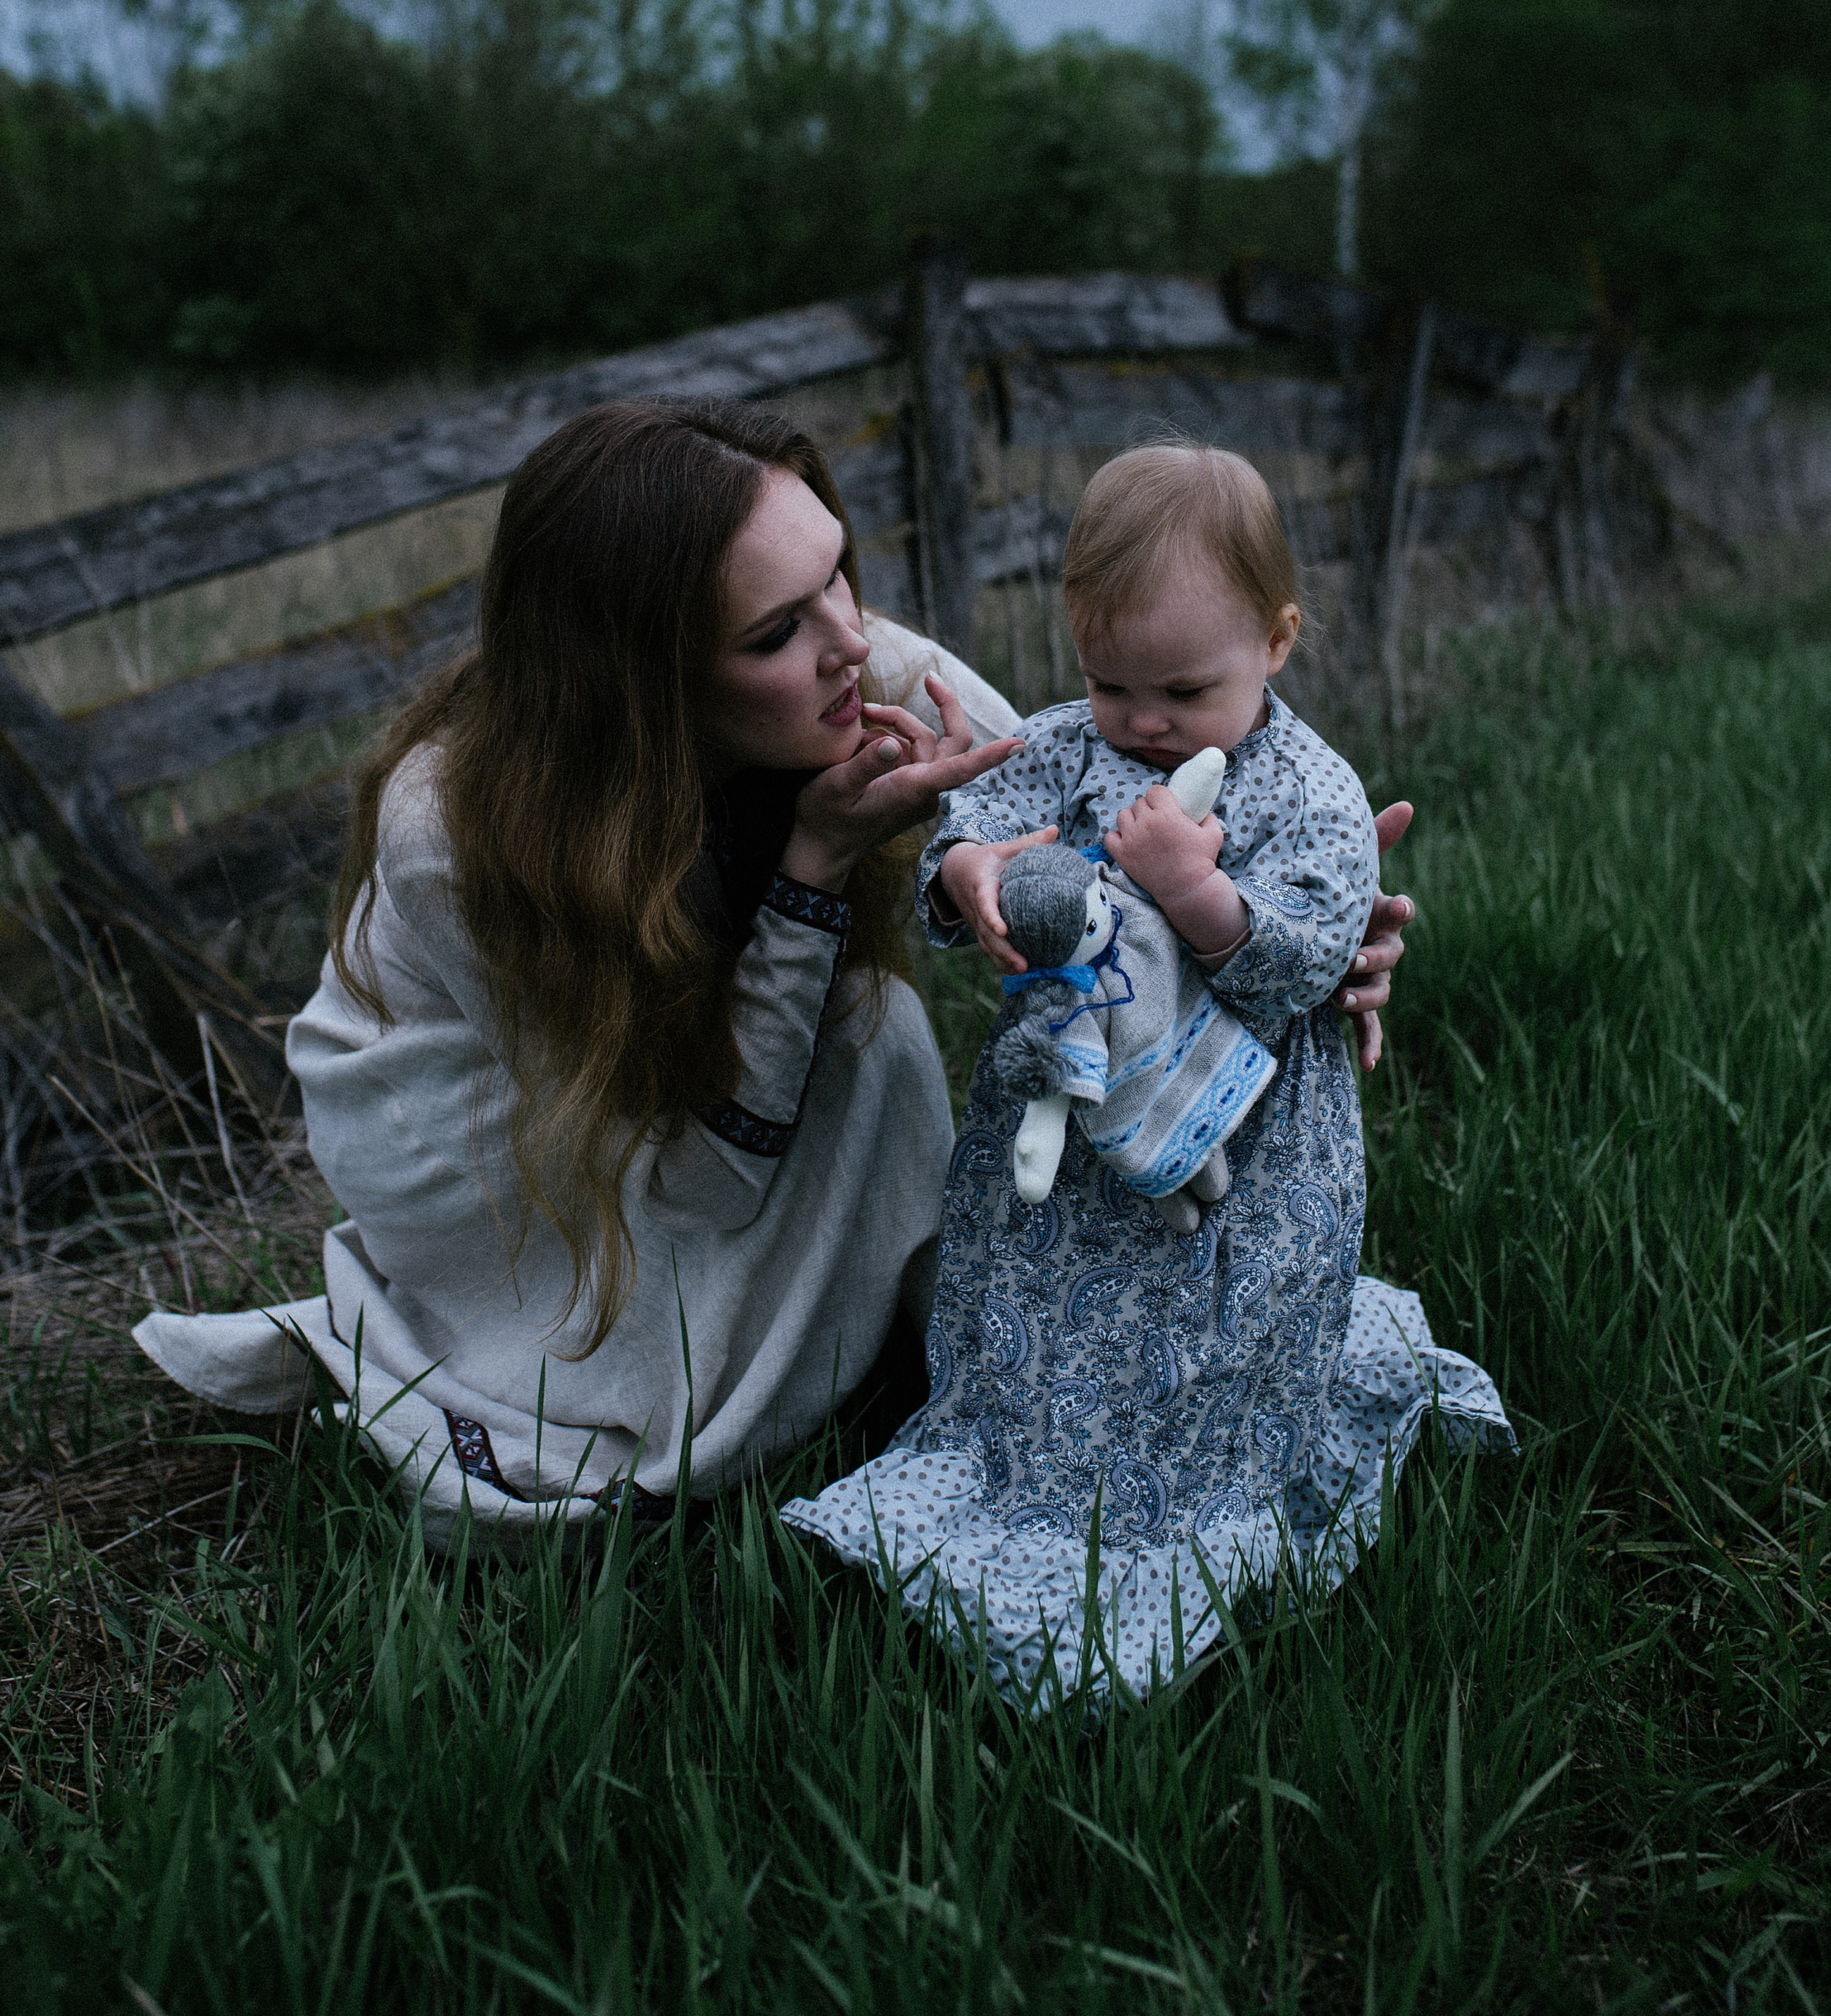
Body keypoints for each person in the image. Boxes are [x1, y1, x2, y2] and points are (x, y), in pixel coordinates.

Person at [134, 403, 1416, 1550]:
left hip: (696, 1095)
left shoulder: (847, 661)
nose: (853, 638)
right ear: (649, 678)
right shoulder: (459, 834)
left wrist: (1305, 926)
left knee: (869, 1031)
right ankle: (846, 1379)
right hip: (493, 1148)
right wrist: (815, 861)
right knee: (867, 1034)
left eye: (837, 573)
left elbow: (1077, 789)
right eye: (776, 630)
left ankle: (926, 1354)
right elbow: (703, 1176)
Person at [784, 445, 1512, 1707]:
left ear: (1276, 641)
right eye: (1108, 681)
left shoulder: (1311, 789)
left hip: (1243, 1147)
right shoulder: (1067, 745)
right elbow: (978, 823)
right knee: (1038, 1295)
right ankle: (1023, 1468)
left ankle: (1196, 1491)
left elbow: (1308, 957)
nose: (1144, 719)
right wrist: (967, 874)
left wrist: (1196, 895)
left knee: (1216, 1321)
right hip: (1065, 1129)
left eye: (1183, 688)